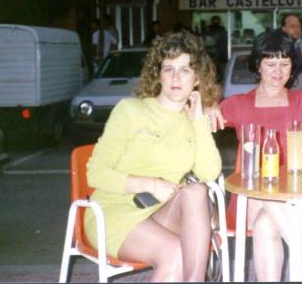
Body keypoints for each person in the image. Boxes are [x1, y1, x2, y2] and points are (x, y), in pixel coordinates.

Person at [84, 31, 223, 282]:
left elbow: (209, 173)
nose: (175, 77)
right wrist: (150, 184)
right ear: (158, 74)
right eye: (168, 69)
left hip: (161, 211)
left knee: (196, 191)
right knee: (174, 253)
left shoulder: (193, 122)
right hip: (114, 211)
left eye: (185, 70)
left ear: (197, 79)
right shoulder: (130, 110)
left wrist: (200, 120)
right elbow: (96, 173)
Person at [219, 29, 302, 281]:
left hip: (295, 199)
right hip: (250, 200)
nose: (278, 71)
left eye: (285, 63)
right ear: (257, 66)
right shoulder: (238, 105)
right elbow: (205, 116)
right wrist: (205, 109)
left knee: (266, 224)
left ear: (293, 67)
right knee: (266, 190)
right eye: (270, 64)